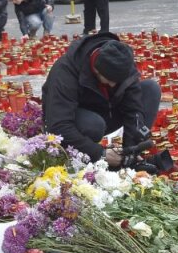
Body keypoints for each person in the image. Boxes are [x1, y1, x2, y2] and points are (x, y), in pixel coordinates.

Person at [41, 32, 161, 169]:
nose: (114, 86)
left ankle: (129, 159)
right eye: (110, 81)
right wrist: (100, 153)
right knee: (94, 124)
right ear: (96, 70)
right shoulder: (65, 72)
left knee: (151, 89)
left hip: (106, 111)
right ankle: (86, 160)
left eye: (118, 82)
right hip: (76, 122)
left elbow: (133, 109)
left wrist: (130, 151)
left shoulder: (122, 62)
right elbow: (58, 126)